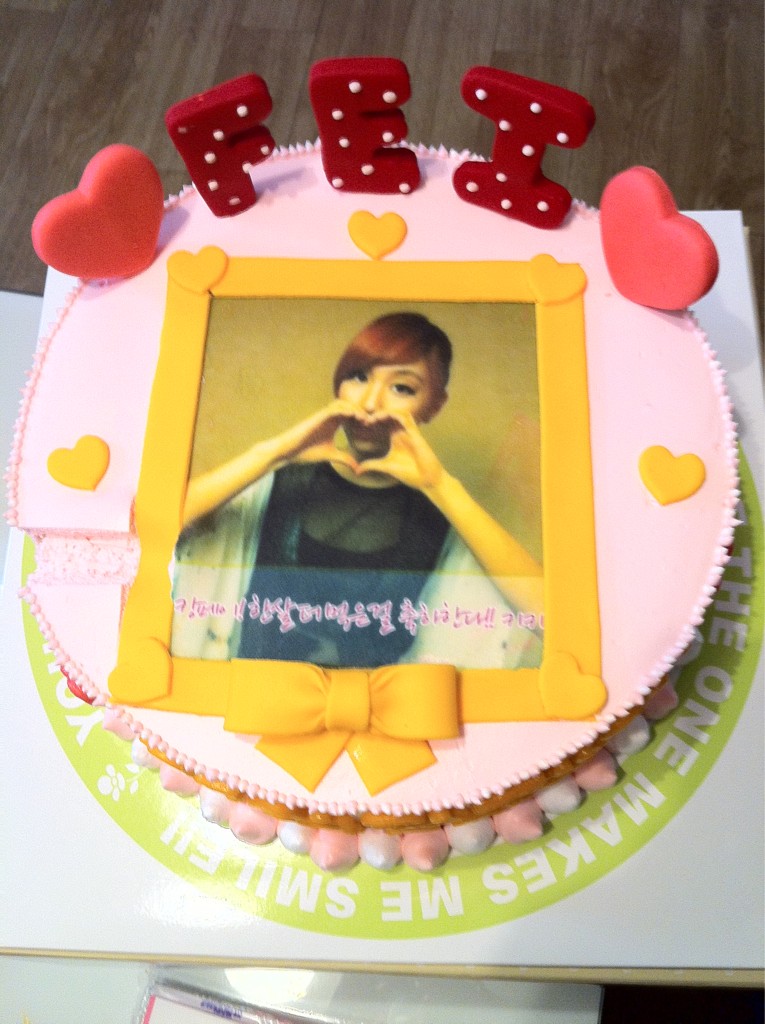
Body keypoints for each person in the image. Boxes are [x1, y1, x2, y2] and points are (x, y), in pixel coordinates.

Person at [171, 312, 543, 669]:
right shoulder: (277, 484)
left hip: (385, 710)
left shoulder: (444, 515)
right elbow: (156, 529)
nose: (370, 403)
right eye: (359, 376)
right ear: (339, 385)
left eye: (401, 388)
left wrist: (440, 485)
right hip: (257, 698)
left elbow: (549, 617)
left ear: (433, 406)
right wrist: (273, 454)